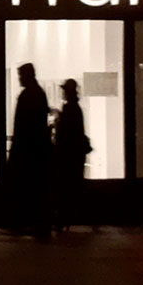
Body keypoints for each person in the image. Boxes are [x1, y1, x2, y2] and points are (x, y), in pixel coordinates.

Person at [8, 63, 53, 237]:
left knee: (28, 188)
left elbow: (23, 127)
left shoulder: (28, 95)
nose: (19, 79)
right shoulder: (38, 93)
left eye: (21, 76)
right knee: (36, 189)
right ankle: (37, 224)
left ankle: (27, 223)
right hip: (36, 150)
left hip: (28, 151)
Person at [54, 79, 90, 231]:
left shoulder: (69, 109)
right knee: (72, 186)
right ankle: (67, 218)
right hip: (75, 155)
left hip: (68, 155)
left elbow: (65, 134)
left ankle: (63, 219)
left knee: (65, 188)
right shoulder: (76, 108)